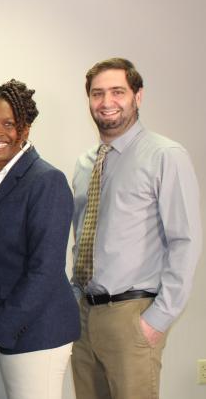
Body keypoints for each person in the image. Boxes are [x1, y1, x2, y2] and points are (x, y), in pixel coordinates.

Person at [71, 58, 202, 399]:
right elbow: (82, 235)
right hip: (84, 315)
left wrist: (158, 318)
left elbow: (185, 240)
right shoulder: (86, 163)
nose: (106, 102)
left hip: (133, 314)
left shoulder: (166, 155)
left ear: (138, 96)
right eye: (97, 94)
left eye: (118, 92)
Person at [0, 79, 79, 399]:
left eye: (8, 124)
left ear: (25, 129)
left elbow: (45, 270)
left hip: (35, 332)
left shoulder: (47, 181)